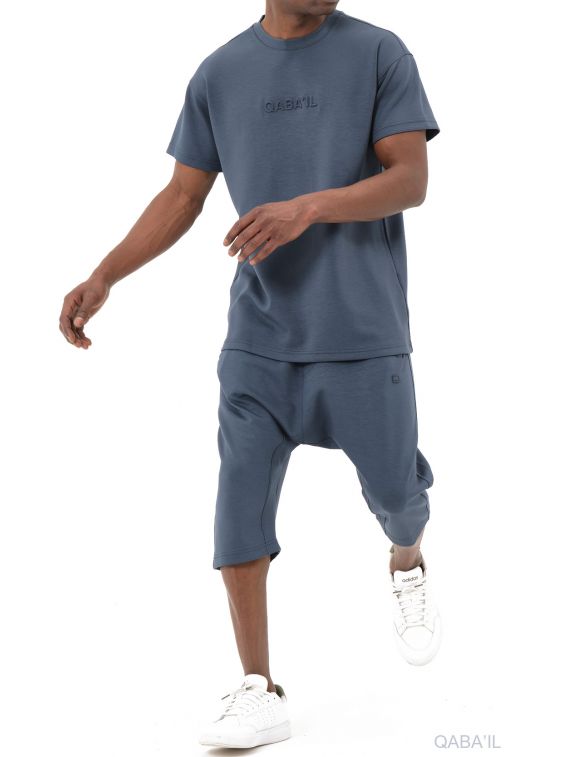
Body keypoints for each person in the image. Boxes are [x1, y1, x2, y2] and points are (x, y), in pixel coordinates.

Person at [59, 1, 442, 749]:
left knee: (399, 497)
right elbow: (183, 194)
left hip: (362, 334)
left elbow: (410, 179)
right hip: (258, 339)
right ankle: (258, 686)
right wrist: (105, 275)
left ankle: (407, 560)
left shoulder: (380, 53)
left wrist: (308, 208)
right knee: (237, 509)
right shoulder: (220, 73)